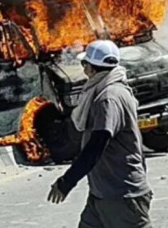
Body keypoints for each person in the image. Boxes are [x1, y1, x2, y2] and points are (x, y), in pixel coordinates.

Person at [48, 40, 152, 227]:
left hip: (121, 196)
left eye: (84, 64)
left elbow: (96, 146)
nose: (83, 69)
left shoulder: (108, 98)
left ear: (91, 68)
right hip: (102, 193)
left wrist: (67, 181)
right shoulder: (109, 89)